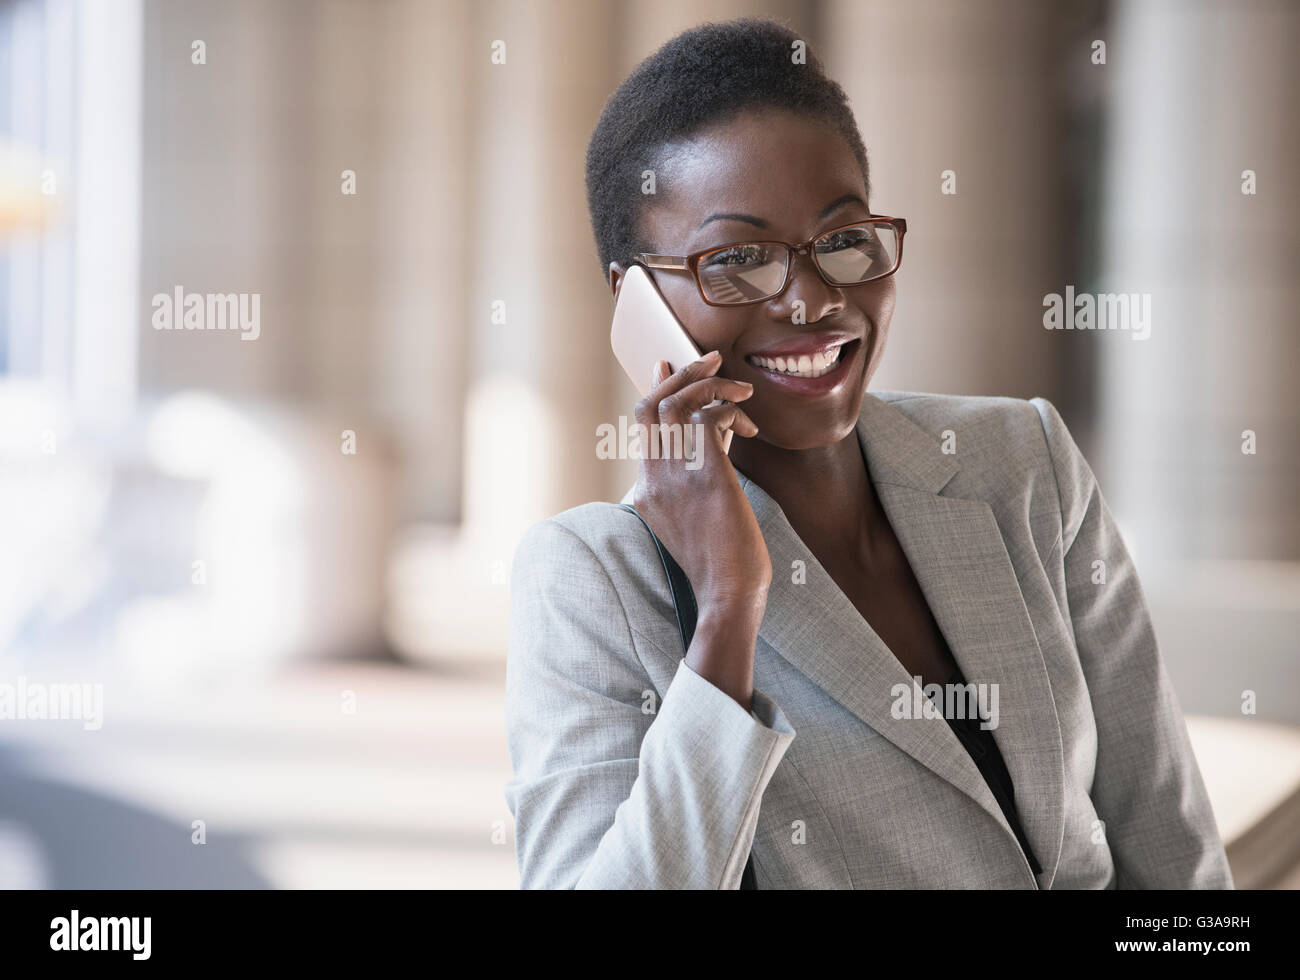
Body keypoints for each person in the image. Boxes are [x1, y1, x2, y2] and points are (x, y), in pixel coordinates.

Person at [503, 17, 1233, 890]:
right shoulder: (596, 578)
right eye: (736, 259)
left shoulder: (1022, 464)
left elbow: (1177, 863)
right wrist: (728, 610)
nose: (812, 301)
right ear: (636, 301)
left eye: (844, 240)